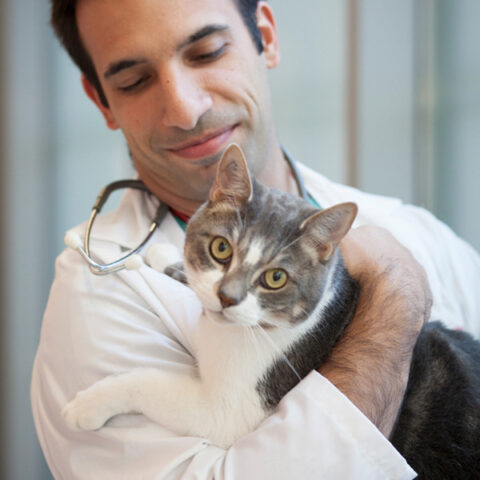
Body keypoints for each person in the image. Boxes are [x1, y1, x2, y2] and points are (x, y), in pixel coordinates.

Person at [31, 0, 480, 478]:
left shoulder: (418, 231)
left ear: (266, 35)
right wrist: (394, 301)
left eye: (207, 52)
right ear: (101, 100)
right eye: (133, 81)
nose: (185, 109)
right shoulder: (94, 299)